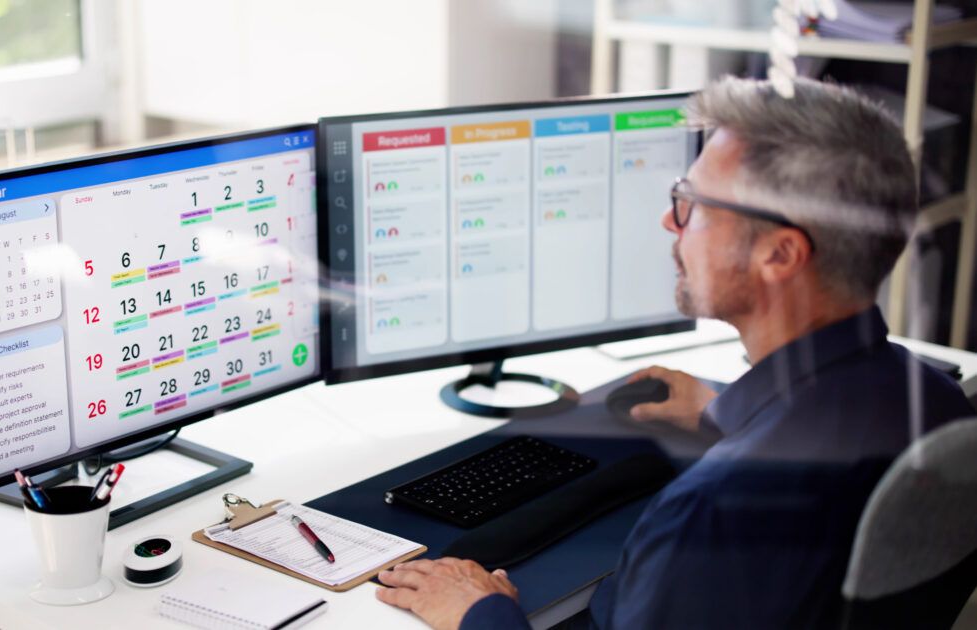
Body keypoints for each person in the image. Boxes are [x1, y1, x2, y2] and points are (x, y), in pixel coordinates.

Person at [374, 76, 976, 629]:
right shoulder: (941, 406)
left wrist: (480, 612)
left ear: (780, 255)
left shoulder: (709, 514)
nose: (670, 220)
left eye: (693, 203)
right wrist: (725, 408)